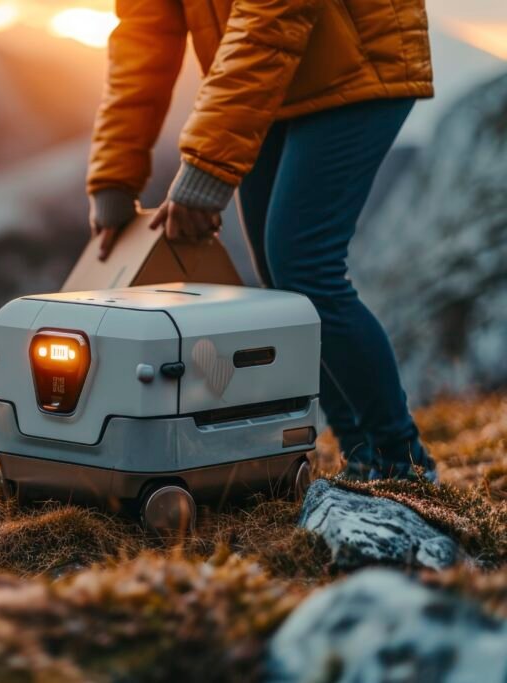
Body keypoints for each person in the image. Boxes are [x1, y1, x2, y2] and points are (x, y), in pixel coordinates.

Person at [87, 0, 437, 482]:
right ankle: (361, 455)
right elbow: (143, 34)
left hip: (357, 59)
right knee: (283, 286)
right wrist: (114, 177)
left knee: (304, 266)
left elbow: (272, 14)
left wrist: (206, 168)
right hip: (270, 76)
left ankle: (403, 462)